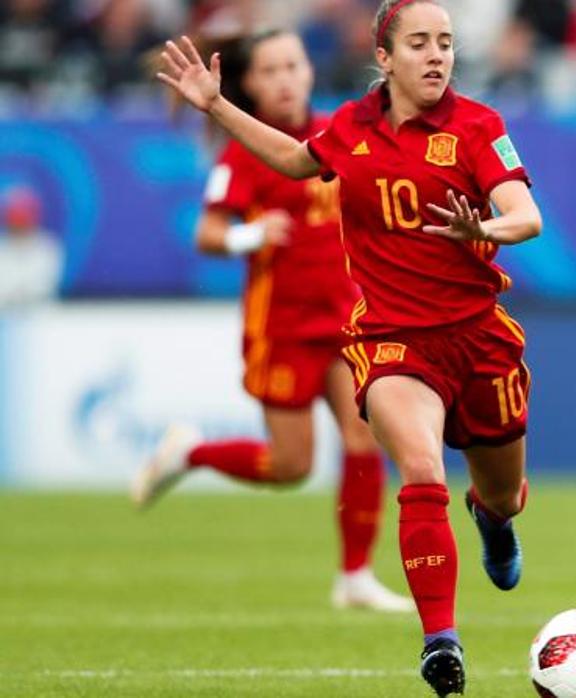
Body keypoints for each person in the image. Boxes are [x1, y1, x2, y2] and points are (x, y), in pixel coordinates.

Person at [153, 1, 542, 694]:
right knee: (419, 469)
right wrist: (216, 108)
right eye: (419, 43)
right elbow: (294, 159)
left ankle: (492, 518)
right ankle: (440, 642)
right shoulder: (349, 129)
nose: (436, 56)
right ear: (384, 58)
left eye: (446, 44)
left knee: (503, 493)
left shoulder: (479, 125)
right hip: (392, 340)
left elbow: (526, 216)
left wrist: (481, 226)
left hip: (478, 339)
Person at [131, 28, 412, 613]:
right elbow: (206, 233)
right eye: (270, 70)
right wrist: (251, 235)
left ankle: (355, 575)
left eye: (294, 65)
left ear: (311, 71)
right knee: (291, 465)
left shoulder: (339, 134)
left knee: (366, 436)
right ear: (251, 85)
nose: (285, 79)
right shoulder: (244, 150)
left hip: (347, 322)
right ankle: (190, 455)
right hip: (282, 327)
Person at [0, 185, 63, 309]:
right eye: (15, 221)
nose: (19, 227)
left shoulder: (47, 247)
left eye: (23, 221)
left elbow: (43, 287)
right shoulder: (2, 248)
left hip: (39, 316)